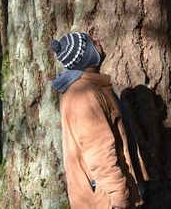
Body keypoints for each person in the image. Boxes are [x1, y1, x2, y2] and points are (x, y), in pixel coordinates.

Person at [51, 32, 149, 209]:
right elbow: (99, 152)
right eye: (92, 42)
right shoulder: (85, 95)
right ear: (86, 55)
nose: (98, 41)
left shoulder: (86, 88)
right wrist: (119, 197)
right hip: (106, 200)